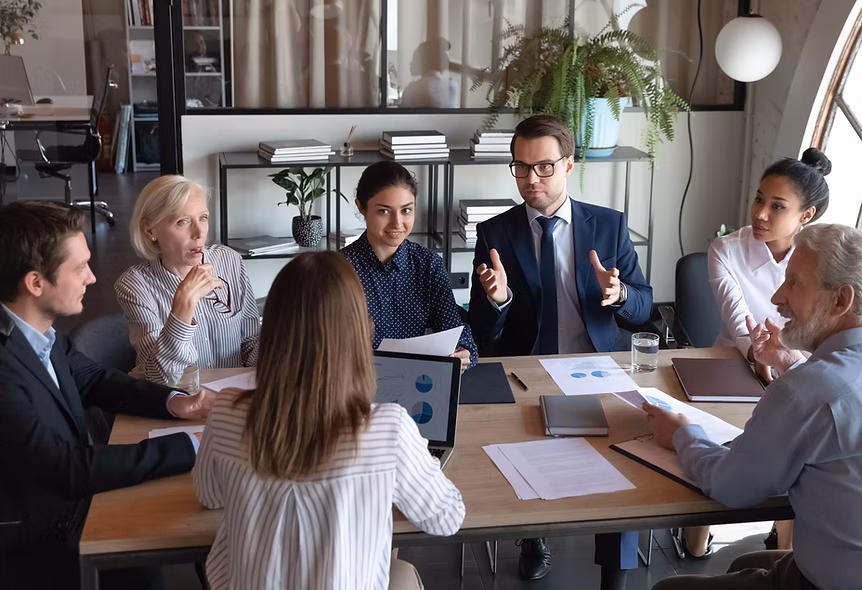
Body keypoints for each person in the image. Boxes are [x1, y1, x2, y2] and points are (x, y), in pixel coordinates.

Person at [193, 251, 465, 589]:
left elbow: (209, 496)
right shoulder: (388, 429)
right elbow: (447, 518)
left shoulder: (225, 413)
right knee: (397, 571)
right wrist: (420, 464)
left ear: (273, 330)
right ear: (359, 331)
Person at [468, 114, 653, 587]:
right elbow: (482, 332)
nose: (531, 179)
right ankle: (533, 536)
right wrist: (497, 299)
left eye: (544, 167)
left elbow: (643, 304)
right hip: (526, 368)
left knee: (623, 459)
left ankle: (615, 574)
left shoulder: (608, 225)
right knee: (529, 454)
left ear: (569, 165)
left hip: (596, 363)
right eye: (521, 167)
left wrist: (619, 295)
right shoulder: (496, 233)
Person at [0, 201, 211, 589]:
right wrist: (194, 446)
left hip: (72, 503)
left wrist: (173, 402)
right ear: (35, 282)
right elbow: (67, 469)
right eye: (80, 267)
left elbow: (94, 379)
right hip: (36, 544)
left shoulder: (38, 332)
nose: (92, 278)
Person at [646, 223, 862, 590]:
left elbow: (733, 487)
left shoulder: (807, 390)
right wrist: (792, 364)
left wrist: (682, 434)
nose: (777, 297)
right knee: (747, 561)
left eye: (794, 282)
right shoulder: (819, 382)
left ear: (841, 300)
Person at [687, 148, 831, 559]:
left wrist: (789, 364)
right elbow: (738, 320)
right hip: (736, 359)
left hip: (800, 367)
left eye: (777, 206)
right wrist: (760, 355)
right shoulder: (726, 249)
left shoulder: (826, 257)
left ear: (807, 215)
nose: (761, 213)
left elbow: (826, 329)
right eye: (759, 199)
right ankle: (699, 537)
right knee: (724, 445)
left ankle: (783, 544)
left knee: (800, 449)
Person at [116, 175, 260, 386]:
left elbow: (250, 346)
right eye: (182, 222)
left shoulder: (229, 261)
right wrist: (184, 304)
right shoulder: (135, 285)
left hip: (234, 396)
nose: (199, 233)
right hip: (179, 403)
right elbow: (160, 378)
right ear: (150, 230)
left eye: (203, 217)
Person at [342, 160, 478, 372]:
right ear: (361, 207)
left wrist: (463, 352)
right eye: (384, 211)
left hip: (417, 380)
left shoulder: (427, 264)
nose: (397, 223)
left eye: (406, 210)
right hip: (354, 383)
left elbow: (454, 328)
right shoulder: (339, 269)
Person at [399, 37, 460, 108]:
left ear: (424, 62)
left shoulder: (412, 90)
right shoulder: (453, 86)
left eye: (414, 58)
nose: (410, 63)